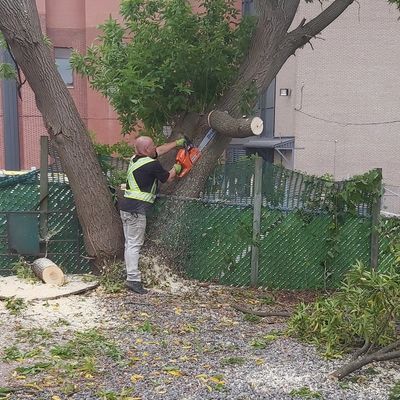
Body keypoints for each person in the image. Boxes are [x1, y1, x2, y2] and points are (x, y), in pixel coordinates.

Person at [118, 135, 185, 294]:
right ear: (147, 150)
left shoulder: (135, 159)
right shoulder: (152, 165)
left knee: (130, 244)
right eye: (152, 146)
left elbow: (159, 151)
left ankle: (130, 274)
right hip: (136, 210)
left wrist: (176, 143)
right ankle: (133, 280)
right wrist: (177, 166)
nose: (156, 148)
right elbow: (168, 178)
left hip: (126, 207)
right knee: (134, 245)